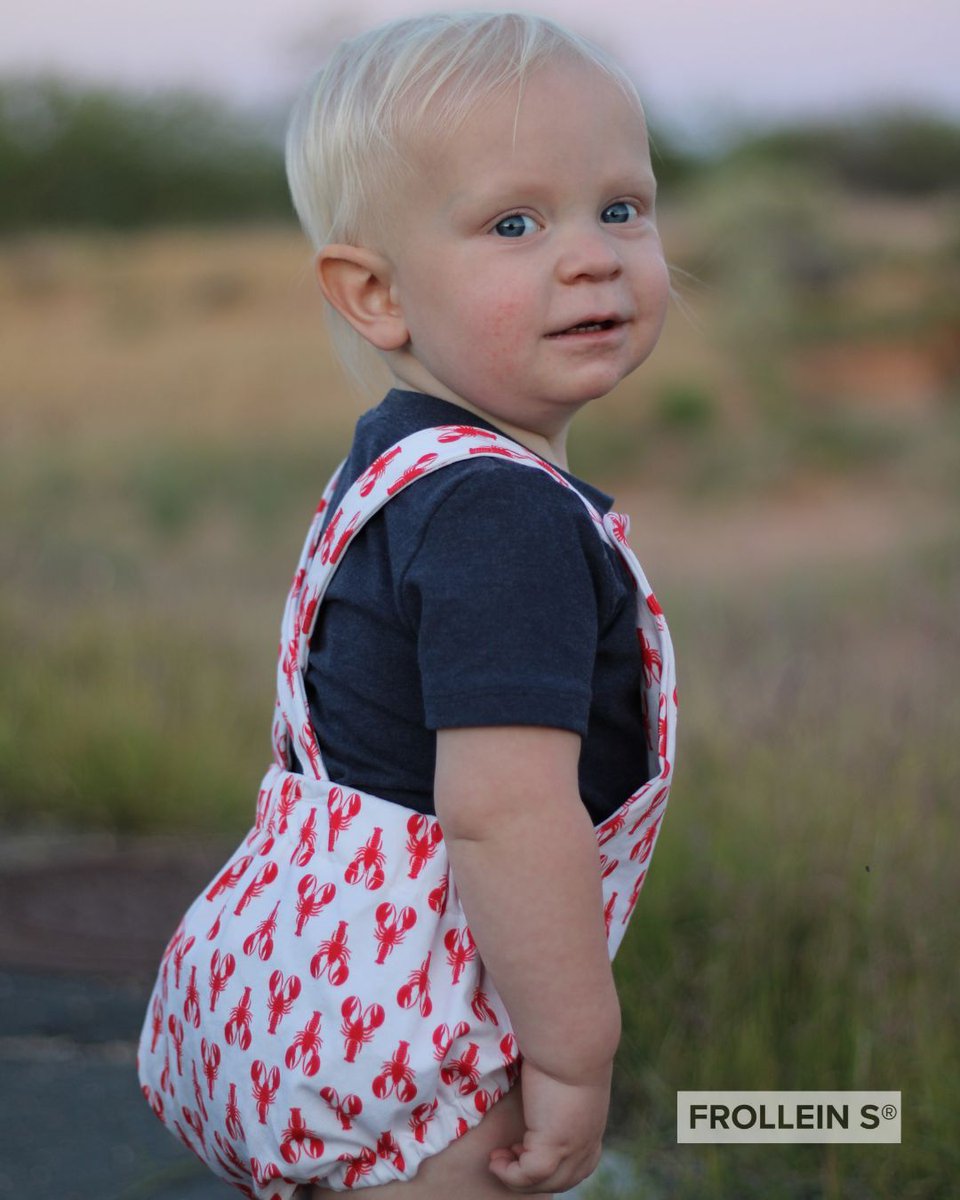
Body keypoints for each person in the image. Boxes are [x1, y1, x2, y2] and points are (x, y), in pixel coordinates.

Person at [137, 12, 678, 1199]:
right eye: (516, 223)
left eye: (622, 208)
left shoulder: (394, 465)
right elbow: (506, 816)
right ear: (374, 293)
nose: (590, 255)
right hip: (418, 1047)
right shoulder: (504, 515)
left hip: (293, 994)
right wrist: (574, 1060)